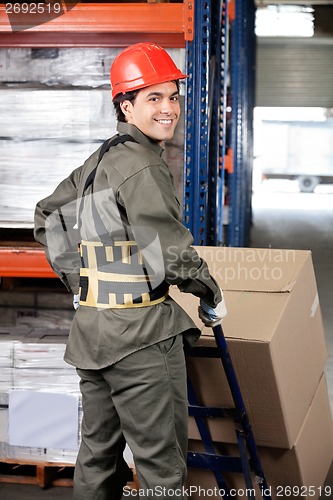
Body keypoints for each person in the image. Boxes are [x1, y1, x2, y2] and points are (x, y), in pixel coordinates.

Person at [34, 42, 227, 500]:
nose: (169, 108)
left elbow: (48, 216)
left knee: (97, 459)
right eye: (153, 98)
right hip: (140, 342)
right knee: (162, 468)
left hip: (93, 336)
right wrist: (210, 293)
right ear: (125, 106)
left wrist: (80, 282)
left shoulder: (102, 158)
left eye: (173, 96)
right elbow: (171, 254)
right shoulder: (143, 167)